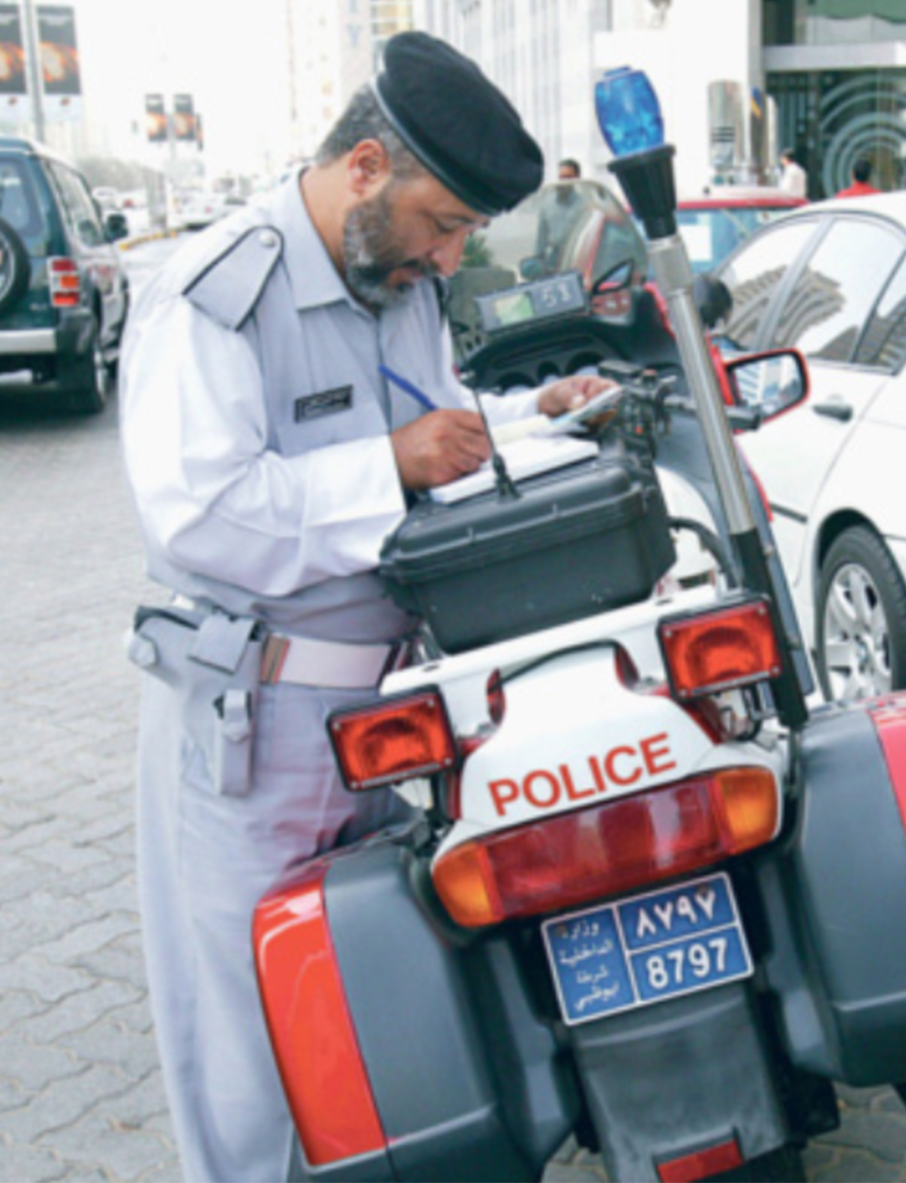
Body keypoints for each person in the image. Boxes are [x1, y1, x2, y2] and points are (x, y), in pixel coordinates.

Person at [118, 32, 612, 1183]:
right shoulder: (216, 293)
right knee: (250, 1035)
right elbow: (197, 512)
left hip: (390, 718)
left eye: (464, 239)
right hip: (254, 724)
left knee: (380, 995)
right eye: (442, 224)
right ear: (367, 167)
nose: (447, 258)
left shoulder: (397, 280)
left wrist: (538, 412)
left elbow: (434, 430)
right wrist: (390, 462)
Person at [534, 156, 589, 270]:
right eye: (561, 177)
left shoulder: (585, 205)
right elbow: (541, 238)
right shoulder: (548, 204)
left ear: (577, 178)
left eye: (568, 177)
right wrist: (537, 263)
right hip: (553, 260)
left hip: (577, 258)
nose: (564, 181)